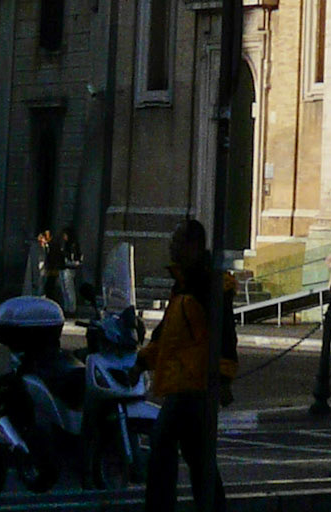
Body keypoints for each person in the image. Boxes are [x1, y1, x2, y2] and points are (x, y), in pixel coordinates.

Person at [138, 217, 237, 512]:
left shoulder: (209, 286)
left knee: (168, 448)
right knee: (196, 458)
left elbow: (225, 335)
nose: (171, 246)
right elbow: (167, 333)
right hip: (181, 384)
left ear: (193, 246)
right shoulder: (182, 285)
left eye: (177, 241)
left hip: (195, 388)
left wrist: (223, 378)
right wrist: (141, 362)